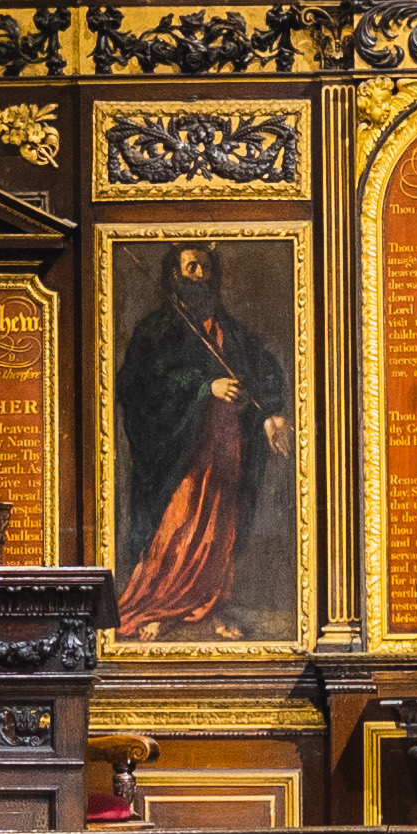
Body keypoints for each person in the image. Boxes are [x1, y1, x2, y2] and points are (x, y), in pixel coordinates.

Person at [109, 250, 283, 638]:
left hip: (228, 444)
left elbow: (262, 371)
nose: (200, 274)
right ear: (174, 274)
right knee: (179, 525)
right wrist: (206, 387)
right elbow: (140, 385)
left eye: (205, 267)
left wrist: (272, 414)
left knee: (220, 530)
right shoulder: (156, 329)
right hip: (183, 447)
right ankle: (158, 605)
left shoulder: (229, 328)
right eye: (192, 267)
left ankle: (209, 605)